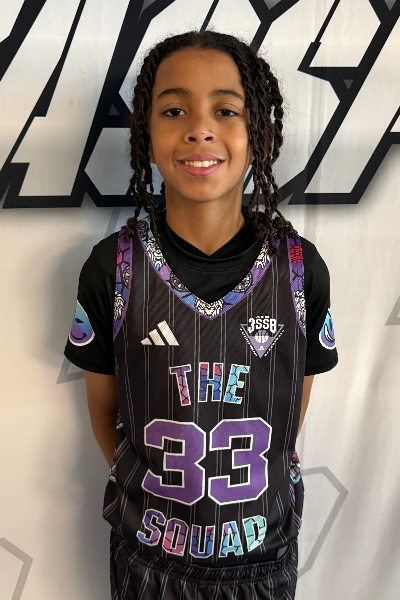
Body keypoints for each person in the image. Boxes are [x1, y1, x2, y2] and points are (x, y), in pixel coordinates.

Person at [64, 30, 338, 600]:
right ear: (147, 136)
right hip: (149, 564)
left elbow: (289, 413)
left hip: (261, 564)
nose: (199, 128)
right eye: (174, 110)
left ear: (259, 135)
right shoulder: (113, 268)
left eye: (226, 110)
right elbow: (106, 413)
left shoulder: (299, 270)